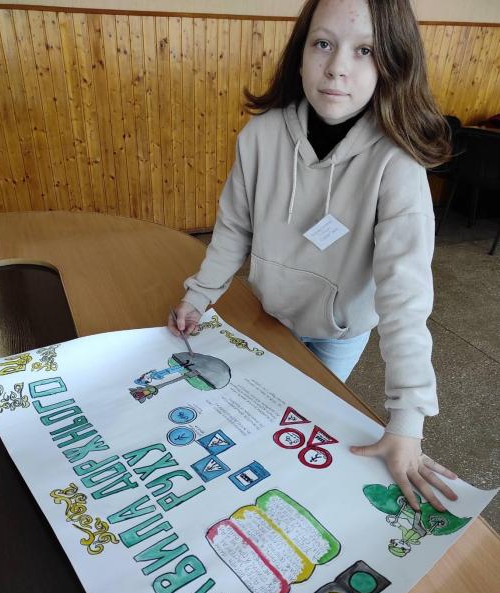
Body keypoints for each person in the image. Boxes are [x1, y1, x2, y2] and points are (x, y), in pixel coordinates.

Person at [168, 0, 458, 512]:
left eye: (364, 50)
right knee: (247, 421)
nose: (336, 67)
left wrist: (407, 422)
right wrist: (200, 295)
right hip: (269, 317)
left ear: (393, 64)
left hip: (337, 335)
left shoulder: (398, 164)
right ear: (300, 53)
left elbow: (405, 299)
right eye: (323, 43)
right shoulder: (259, 137)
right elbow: (233, 229)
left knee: (298, 425)